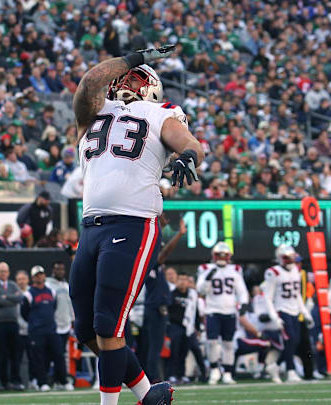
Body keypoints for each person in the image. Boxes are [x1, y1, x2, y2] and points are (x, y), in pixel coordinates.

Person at [68, 44, 203, 405]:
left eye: (137, 77)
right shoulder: (92, 111)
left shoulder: (160, 113)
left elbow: (190, 143)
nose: (127, 79)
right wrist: (136, 57)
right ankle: (148, 395)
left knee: (108, 326)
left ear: (150, 88)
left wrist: (188, 155)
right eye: (127, 74)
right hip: (92, 227)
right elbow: (89, 81)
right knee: (86, 329)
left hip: (133, 223)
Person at [196, 242, 249, 385]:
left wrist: (243, 303)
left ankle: (228, 372)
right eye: (219, 255)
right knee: (211, 341)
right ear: (213, 256)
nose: (221, 257)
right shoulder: (205, 268)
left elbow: (242, 290)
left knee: (228, 344)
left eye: (224, 255)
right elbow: (200, 291)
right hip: (212, 310)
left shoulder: (235, 269)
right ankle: (214, 369)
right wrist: (208, 278)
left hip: (230, 311)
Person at [141, 216, 185, 382]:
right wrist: (179, 234)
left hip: (155, 308)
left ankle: (152, 377)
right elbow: (164, 253)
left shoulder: (150, 262)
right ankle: (153, 379)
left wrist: (159, 227)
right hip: (155, 308)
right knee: (155, 346)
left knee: (154, 346)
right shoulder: (151, 262)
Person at [262, 245, 314, 383]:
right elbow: (267, 297)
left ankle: (275, 366)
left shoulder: (296, 271)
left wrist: (305, 312)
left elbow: (297, 294)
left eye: (292, 257)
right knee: (289, 341)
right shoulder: (273, 272)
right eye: (287, 258)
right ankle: (290, 371)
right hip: (282, 310)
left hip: (295, 311)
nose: (291, 260)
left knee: (295, 342)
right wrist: (275, 317)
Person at [22, 266, 71, 392]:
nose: (39, 277)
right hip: (36, 331)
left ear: (44, 276)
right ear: (33, 278)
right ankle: (41, 382)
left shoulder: (51, 292)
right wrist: (35, 323)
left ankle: (63, 380)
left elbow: (53, 307)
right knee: (39, 358)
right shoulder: (28, 294)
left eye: (41, 274)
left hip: (51, 329)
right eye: (37, 275)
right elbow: (24, 312)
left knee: (59, 355)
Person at [0, 262, 25, 391]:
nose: (3, 273)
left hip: (13, 324)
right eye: (1, 271)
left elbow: (19, 298)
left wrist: (5, 297)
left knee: (14, 354)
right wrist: (10, 298)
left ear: (8, 273)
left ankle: (15, 381)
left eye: (5, 271)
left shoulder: (13, 285)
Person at [167, 271, 206, 384]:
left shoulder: (192, 295)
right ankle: (172, 375)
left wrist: (198, 328)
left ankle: (182, 374)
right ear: (177, 281)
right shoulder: (172, 294)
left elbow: (196, 313)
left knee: (185, 352)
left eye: (185, 280)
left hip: (189, 328)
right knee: (174, 351)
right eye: (181, 279)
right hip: (175, 326)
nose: (183, 282)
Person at [45, 261, 74, 379]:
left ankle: (59, 378)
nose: (60, 271)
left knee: (62, 354)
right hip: (53, 325)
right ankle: (50, 378)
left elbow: (71, 305)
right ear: (53, 270)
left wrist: (72, 320)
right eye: (57, 269)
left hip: (66, 324)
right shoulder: (48, 285)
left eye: (62, 269)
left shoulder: (66, 285)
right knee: (52, 354)